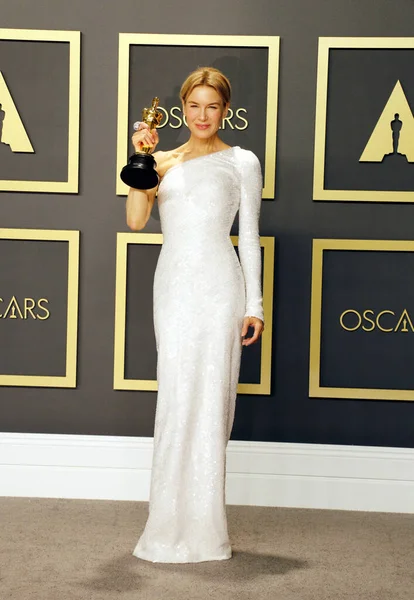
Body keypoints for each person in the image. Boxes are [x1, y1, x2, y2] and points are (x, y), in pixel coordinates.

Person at [126, 66, 265, 563]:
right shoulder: (160, 161)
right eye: (193, 105)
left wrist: (255, 306)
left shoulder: (242, 162)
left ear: (225, 110)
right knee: (176, 397)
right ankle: (164, 527)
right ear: (182, 108)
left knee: (211, 402)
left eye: (212, 106)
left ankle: (206, 532)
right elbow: (137, 220)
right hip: (174, 287)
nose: (202, 115)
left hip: (219, 288)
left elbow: (248, 235)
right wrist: (142, 156)